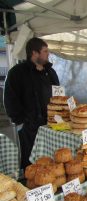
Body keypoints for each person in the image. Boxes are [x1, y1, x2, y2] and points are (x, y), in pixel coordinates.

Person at [4, 37, 59, 169]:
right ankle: (30, 187)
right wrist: (21, 121)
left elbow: (58, 96)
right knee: (30, 162)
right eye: (45, 51)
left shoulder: (50, 72)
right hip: (29, 127)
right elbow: (10, 100)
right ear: (34, 53)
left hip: (50, 126)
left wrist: (58, 116)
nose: (48, 54)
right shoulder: (17, 73)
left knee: (50, 159)